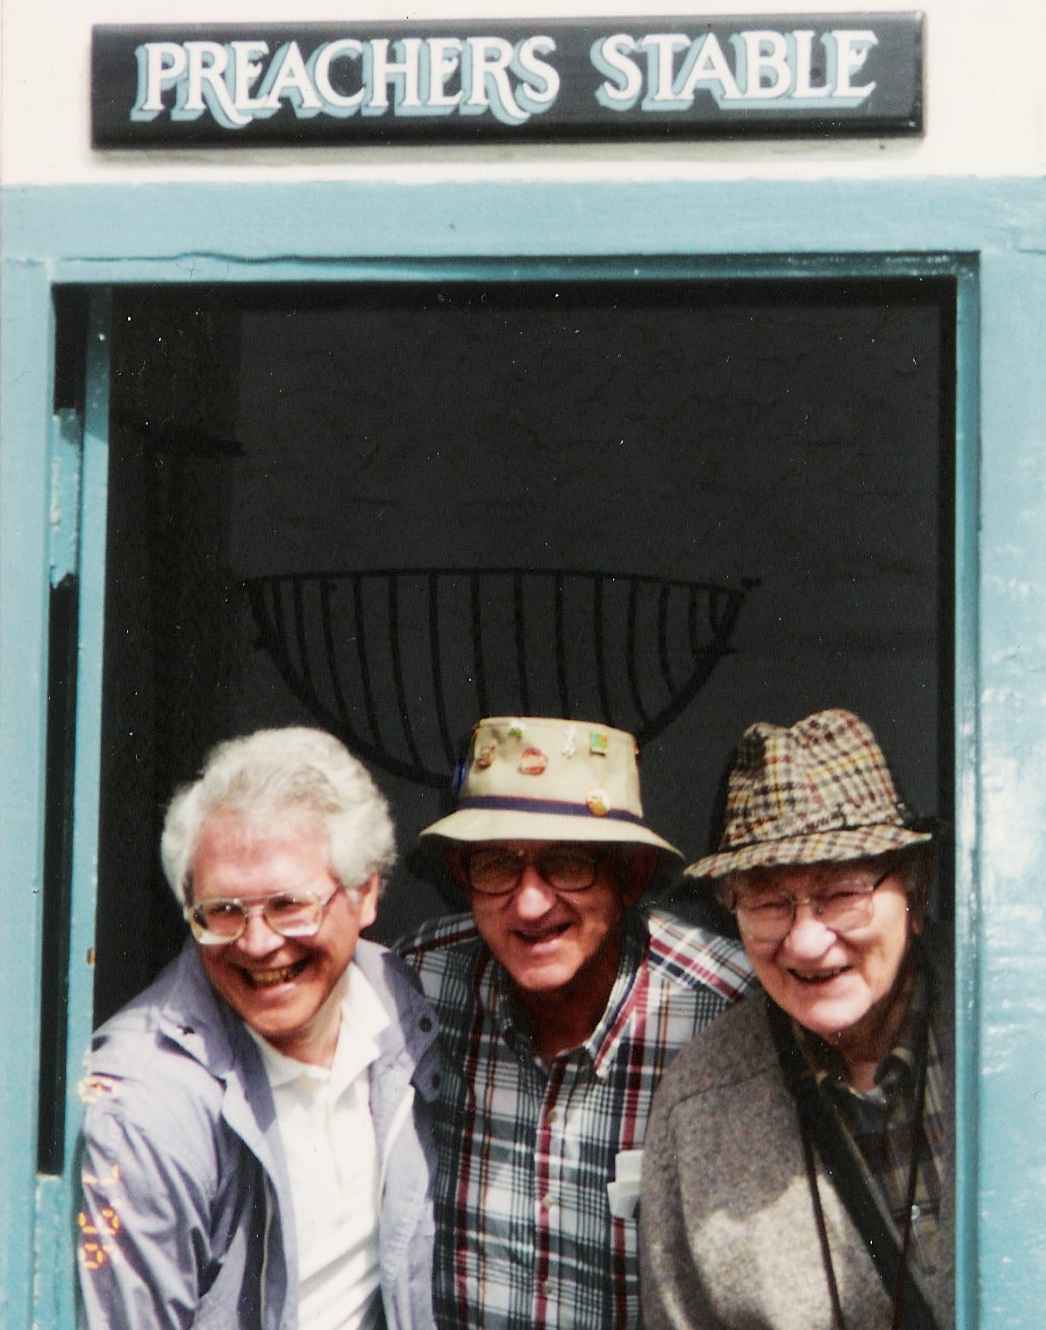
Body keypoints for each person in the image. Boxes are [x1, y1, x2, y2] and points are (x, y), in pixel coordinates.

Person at [76, 727, 441, 1330]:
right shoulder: (145, 1107)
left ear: (366, 893)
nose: (258, 943)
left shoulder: (400, 1004)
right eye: (222, 911)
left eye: (289, 904)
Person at [396, 716, 753, 1330]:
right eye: (495, 865)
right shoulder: (413, 987)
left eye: (567, 863)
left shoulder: (730, 1012)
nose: (531, 903)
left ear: (631, 876)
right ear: (461, 876)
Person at [640, 708, 953, 1330]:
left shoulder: (1019, 1031)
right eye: (768, 901)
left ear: (917, 891)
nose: (806, 942)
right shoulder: (698, 1106)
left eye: (842, 892)